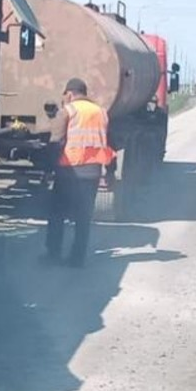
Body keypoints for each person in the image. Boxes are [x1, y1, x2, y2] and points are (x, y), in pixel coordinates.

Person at [43, 77, 113, 267]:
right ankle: (77, 258)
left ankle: (53, 254)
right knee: (83, 217)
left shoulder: (69, 111)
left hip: (69, 171)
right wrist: (110, 172)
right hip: (92, 172)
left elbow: (56, 141)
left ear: (70, 93)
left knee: (57, 213)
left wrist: (49, 167)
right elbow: (109, 143)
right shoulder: (101, 112)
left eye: (65, 94)